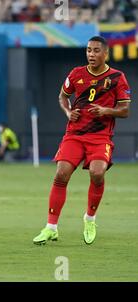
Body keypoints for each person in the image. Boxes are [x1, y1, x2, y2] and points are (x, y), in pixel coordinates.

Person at [33, 36, 131, 245]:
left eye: (96, 51)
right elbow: (62, 96)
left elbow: (125, 110)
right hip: (75, 134)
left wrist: (105, 110)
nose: (91, 54)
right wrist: (68, 112)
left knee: (97, 173)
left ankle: (90, 218)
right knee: (61, 173)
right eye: (88, 50)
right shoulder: (76, 74)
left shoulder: (117, 77)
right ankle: (51, 228)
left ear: (105, 53)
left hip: (100, 136)